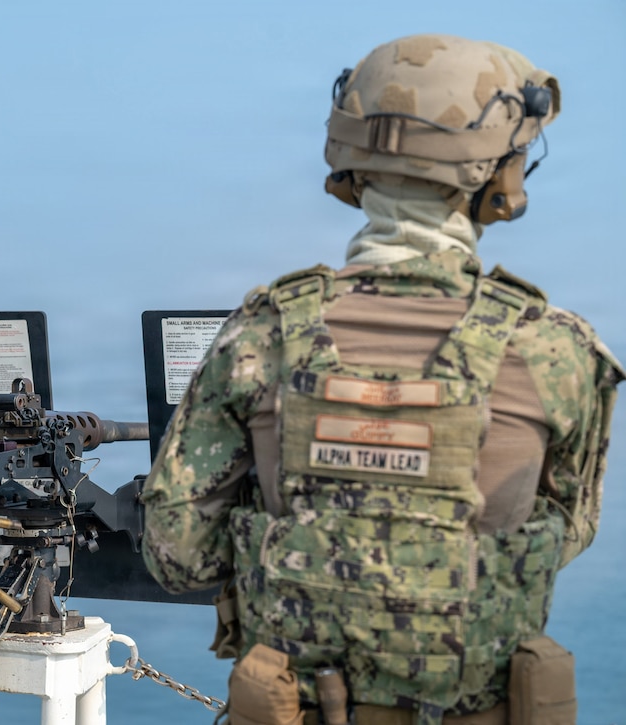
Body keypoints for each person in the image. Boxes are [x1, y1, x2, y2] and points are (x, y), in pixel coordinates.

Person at [141, 34, 622, 725]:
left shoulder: (261, 333)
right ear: (498, 175)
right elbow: (564, 533)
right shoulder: (557, 351)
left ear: (352, 161)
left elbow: (177, 556)